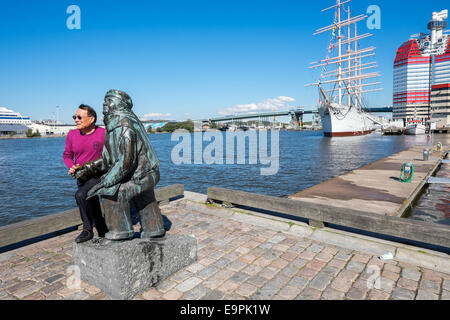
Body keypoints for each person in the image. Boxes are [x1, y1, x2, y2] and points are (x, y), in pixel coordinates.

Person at [63, 104, 108, 243]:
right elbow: (67, 155)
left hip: (99, 175)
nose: (76, 119)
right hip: (81, 177)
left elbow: (111, 155)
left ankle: (87, 230)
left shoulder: (104, 133)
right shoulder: (72, 134)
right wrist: (72, 167)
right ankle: (103, 231)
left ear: (91, 119)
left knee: (81, 195)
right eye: (74, 117)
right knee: (92, 205)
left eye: (79, 117)